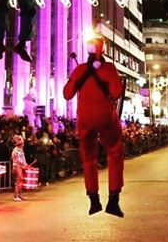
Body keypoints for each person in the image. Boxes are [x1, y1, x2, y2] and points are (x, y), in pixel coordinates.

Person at [63, 32, 124, 218]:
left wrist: (76, 78)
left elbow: (67, 94)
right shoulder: (109, 68)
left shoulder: (80, 69)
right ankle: (113, 200)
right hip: (106, 118)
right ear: (103, 49)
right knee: (115, 152)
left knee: (88, 158)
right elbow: (116, 92)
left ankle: (93, 200)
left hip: (85, 120)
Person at [11, 135, 29, 201]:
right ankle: (16, 196)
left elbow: (23, 159)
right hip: (17, 166)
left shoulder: (20, 150)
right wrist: (24, 164)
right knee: (18, 181)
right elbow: (18, 160)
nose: (23, 144)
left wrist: (25, 164)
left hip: (20, 166)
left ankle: (20, 195)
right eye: (22, 143)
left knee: (21, 181)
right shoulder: (16, 151)